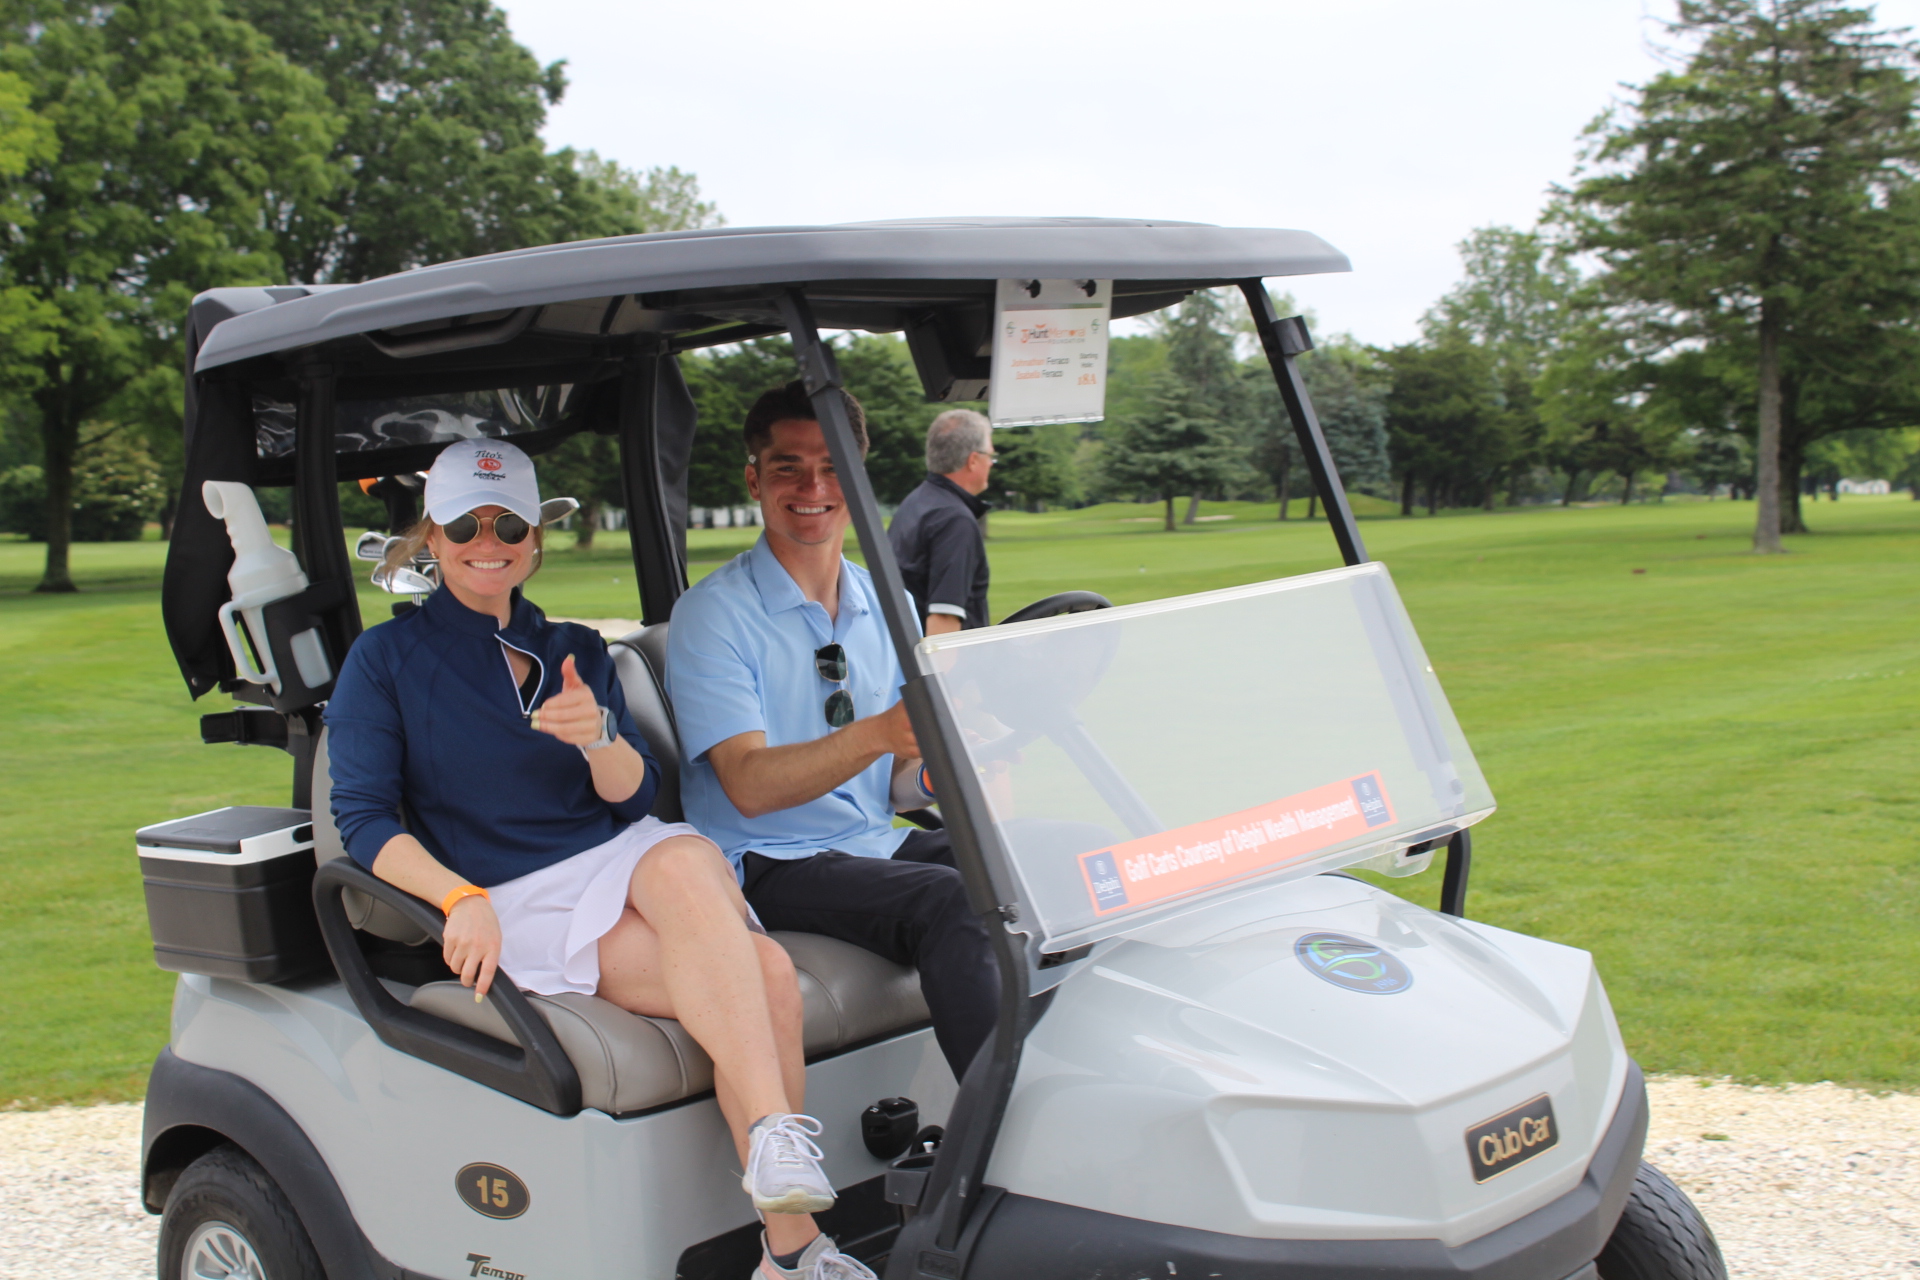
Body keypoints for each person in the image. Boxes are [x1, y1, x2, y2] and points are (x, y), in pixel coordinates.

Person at [324, 439, 872, 1280]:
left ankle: (773, 1143)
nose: (488, 542)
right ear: (432, 536)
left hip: (618, 852)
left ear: (534, 538)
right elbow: (362, 818)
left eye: (509, 525)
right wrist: (459, 898)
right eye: (465, 525)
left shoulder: (574, 648)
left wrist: (597, 738)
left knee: (682, 860)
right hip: (515, 892)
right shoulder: (386, 660)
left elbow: (633, 798)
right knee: (763, 973)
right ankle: (792, 1252)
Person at [666, 382, 1000, 1086]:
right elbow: (748, 786)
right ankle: (1009, 1124)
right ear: (755, 480)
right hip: (767, 861)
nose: (813, 488)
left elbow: (895, 783)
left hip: (869, 839)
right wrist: (878, 733)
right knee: (952, 901)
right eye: (788, 468)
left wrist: (942, 766)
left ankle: (1083, 1079)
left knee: (1041, 860)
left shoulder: (887, 599)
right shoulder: (713, 615)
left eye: (833, 468)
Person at [887, 409, 995, 634]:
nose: (991, 464)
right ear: (973, 460)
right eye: (990, 456)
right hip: (941, 656)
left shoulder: (916, 502)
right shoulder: (954, 520)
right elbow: (943, 620)